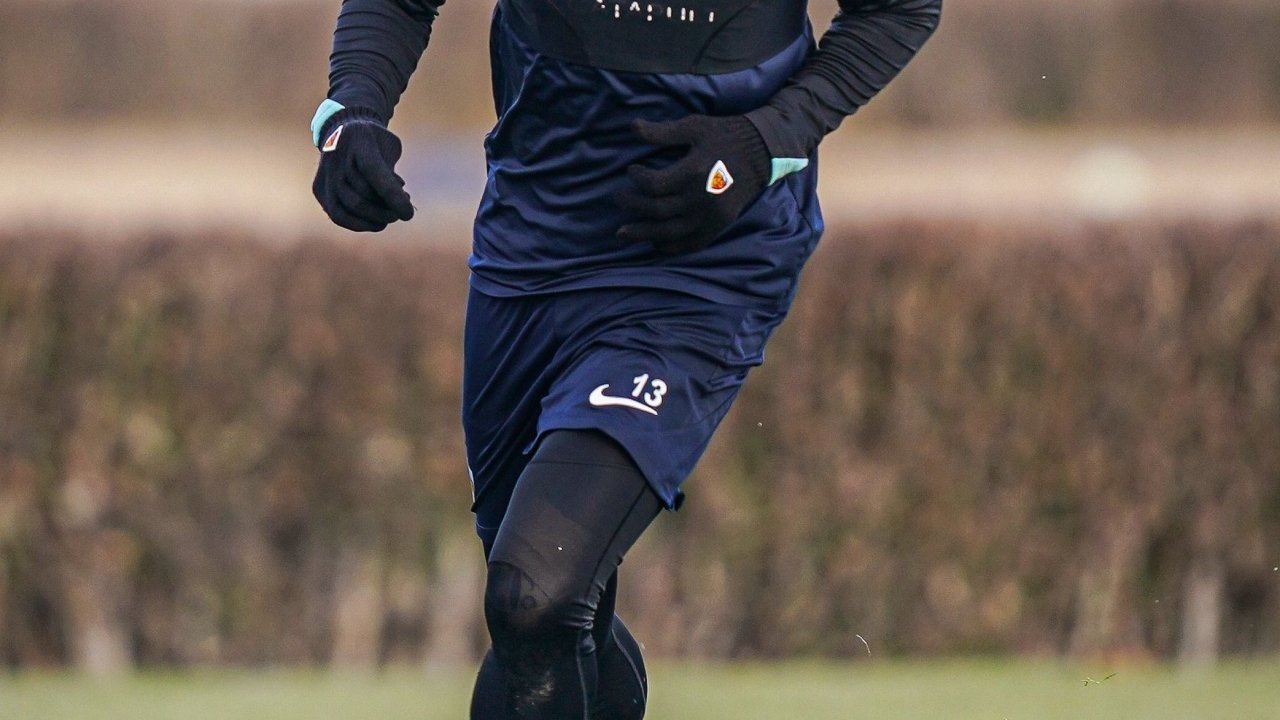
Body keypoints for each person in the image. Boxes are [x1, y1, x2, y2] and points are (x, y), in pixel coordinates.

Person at [310, 0, 940, 716]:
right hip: (533, 245)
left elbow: (900, 7)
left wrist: (767, 138)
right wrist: (351, 111)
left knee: (535, 593)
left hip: (704, 256)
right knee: (547, 618)